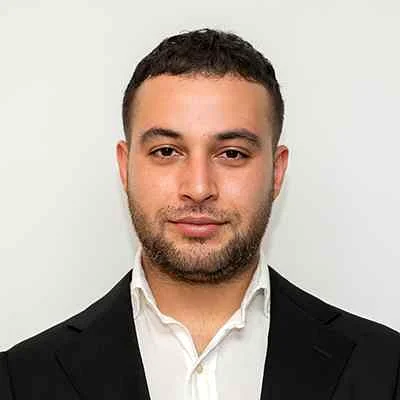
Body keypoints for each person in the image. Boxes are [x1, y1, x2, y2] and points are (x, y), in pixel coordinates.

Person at [1, 28, 399, 400]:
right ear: (125, 167)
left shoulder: (385, 369)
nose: (198, 187)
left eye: (232, 154)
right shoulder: (19, 380)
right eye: (166, 151)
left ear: (277, 172)